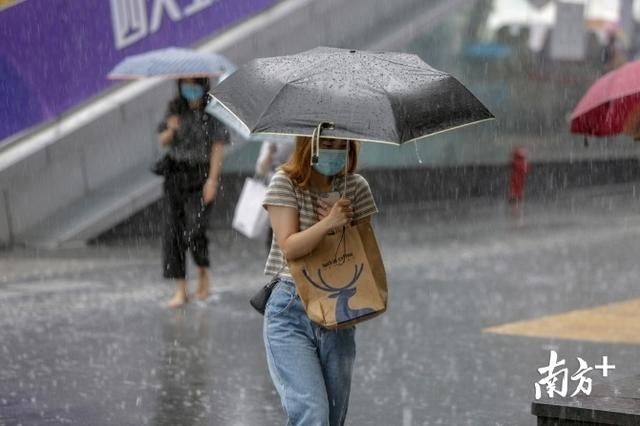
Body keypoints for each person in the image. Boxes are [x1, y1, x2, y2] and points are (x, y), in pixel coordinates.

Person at [261, 136, 378, 425]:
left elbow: (365, 254)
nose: (334, 153)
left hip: (339, 308)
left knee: (333, 417)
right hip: (290, 308)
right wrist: (327, 223)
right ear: (308, 144)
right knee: (312, 413)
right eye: (327, 144)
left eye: (342, 146)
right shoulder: (285, 183)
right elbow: (289, 247)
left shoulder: (356, 187)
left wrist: (345, 224)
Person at [157, 77, 229, 308]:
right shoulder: (174, 107)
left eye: (194, 83)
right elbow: (163, 140)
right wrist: (171, 128)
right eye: (185, 83)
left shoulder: (213, 110)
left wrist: (212, 181)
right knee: (173, 232)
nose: (189, 88)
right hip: (175, 175)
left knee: (196, 229)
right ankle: (180, 289)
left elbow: (218, 147)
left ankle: (203, 273)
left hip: (200, 176)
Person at [254, 139, 294, 252]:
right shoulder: (269, 140)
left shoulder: (296, 141)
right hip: (272, 192)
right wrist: (270, 153)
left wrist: (293, 157)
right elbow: (261, 169)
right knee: (272, 236)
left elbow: (295, 169)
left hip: (289, 194)